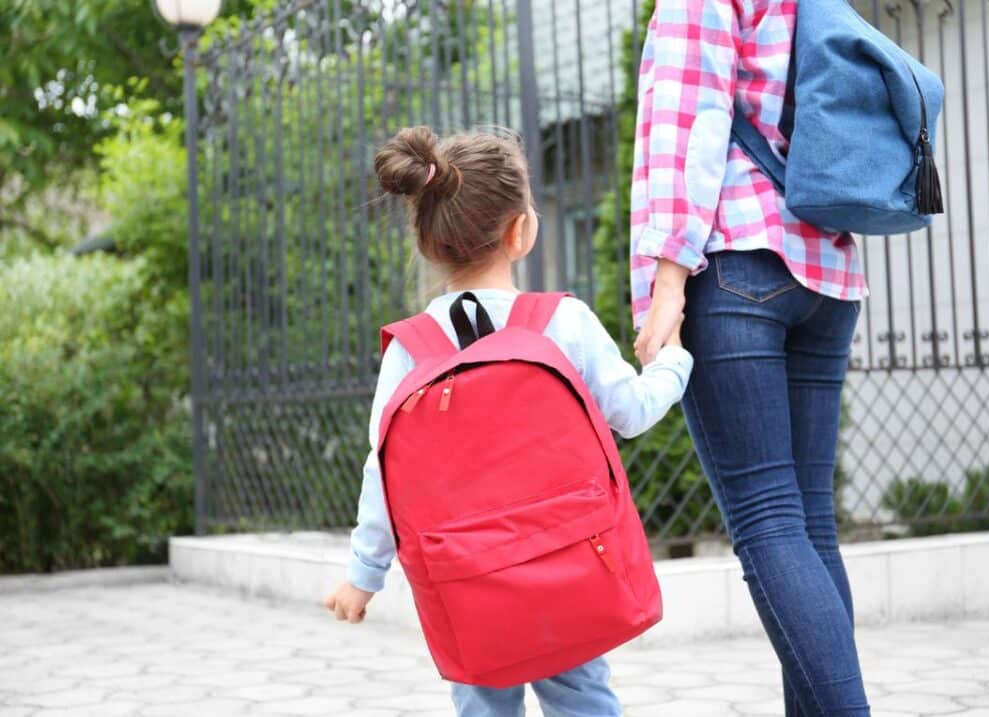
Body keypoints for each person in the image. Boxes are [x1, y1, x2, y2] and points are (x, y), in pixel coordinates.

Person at [323, 126, 693, 717]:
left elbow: (383, 475)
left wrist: (363, 576)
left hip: (466, 589)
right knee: (583, 701)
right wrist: (673, 362)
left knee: (483, 701)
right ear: (520, 231)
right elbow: (631, 411)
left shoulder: (409, 350)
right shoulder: (564, 321)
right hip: (568, 570)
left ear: (427, 240)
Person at [629, 1, 871, 715]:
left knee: (769, 522)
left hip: (735, 261)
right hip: (825, 269)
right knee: (808, 526)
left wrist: (668, 278)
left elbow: (691, 119)